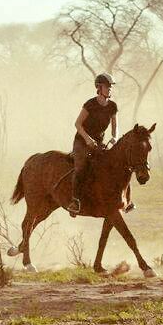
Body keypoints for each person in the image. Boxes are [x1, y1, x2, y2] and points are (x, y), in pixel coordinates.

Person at [68, 73, 119, 217]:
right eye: (107, 86)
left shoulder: (112, 106)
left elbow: (115, 128)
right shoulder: (90, 104)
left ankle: (122, 200)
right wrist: (88, 139)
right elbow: (77, 124)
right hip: (82, 141)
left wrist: (114, 137)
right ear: (99, 87)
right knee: (81, 167)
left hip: (99, 143)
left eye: (110, 87)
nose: (110, 89)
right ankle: (75, 201)